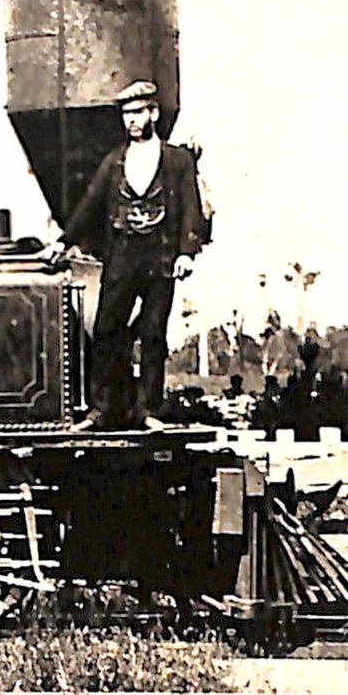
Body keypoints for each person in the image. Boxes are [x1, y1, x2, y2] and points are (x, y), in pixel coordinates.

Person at [43, 80, 208, 431]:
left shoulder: (177, 161)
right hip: (121, 257)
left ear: (153, 113)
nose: (131, 120)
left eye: (138, 112)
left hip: (160, 258)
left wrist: (186, 252)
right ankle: (101, 410)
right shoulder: (114, 162)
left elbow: (191, 208)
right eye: (126, 114)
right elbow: (90, 205)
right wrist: (63, 242)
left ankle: (148, 410)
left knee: (152, 334)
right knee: (106, 330)